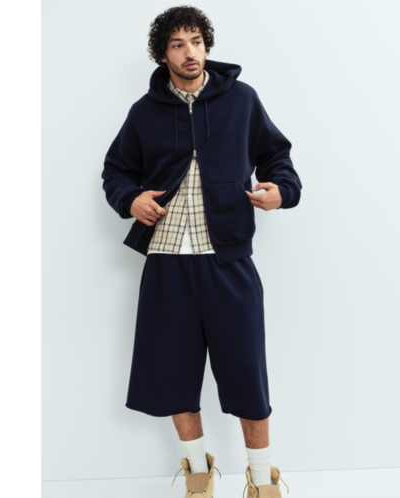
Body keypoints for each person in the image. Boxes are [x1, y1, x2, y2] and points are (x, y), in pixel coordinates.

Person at [102, 6, 302, 498]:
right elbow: (116, 172)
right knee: (173, 375)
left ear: (206, 45)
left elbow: (277, 157)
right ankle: (198, 475)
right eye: (177, 44)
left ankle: (262, 481)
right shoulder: (144, 112)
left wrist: (282, 191)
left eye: (195, 41)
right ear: (163, 55)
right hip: (167, 262)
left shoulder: (241, 100)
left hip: (228, 260)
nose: (189, 52)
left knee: (246, 373)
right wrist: (131, 199)